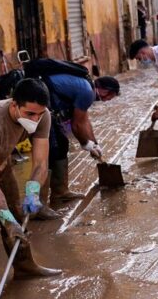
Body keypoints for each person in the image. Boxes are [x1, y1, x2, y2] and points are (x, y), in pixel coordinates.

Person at [0, 79, 63, 279]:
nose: (35, 119)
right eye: (29, 114)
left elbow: (40, 162)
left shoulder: (42, 115)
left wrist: (32, 191)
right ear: (14, 105)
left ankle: (24, 267)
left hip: (1, 164)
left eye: (39, 114)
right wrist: (5, 219)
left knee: (17, 215)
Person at [40, 68, 121, 214]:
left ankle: (60, 192)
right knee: (50, 151)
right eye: (111, 96)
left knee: (62, 145)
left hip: (49, 109)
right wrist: (86, 144)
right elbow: (76, 125)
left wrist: (95, 143)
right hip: (40, 107)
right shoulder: (87, 92)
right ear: (104, 90)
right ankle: (39, 205)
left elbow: (84, 120)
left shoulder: (87, 89)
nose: (108, 100)